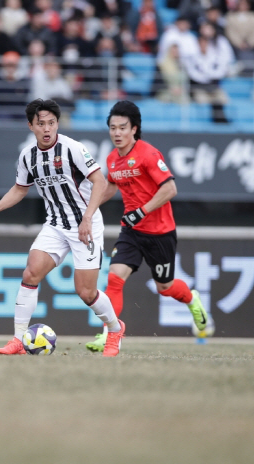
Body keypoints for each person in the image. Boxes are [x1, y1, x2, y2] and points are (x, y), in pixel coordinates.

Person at [0, 98, 124, 357]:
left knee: (86, 292)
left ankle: (114, 329)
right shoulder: (28, 156)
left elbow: (99, 182)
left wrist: (87, 218)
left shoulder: (73, 149)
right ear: (31, 126)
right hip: (56, 224)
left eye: (52, 123)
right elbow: (20, 188)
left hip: (85, 225)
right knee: (30, 273)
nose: (47, 129)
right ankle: (19, 340)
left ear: (57, 124)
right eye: (41, 123)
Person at [85, 100, 209, 353]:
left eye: (122, 127)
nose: (117, 133)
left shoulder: (148, 154)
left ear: (134, 129)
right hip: (131, 231)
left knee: (165, 288)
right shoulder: (111, 159)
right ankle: (110, 333)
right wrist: (87, 207)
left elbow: (170, 188)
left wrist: (141, 211)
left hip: (160, 233)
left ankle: (192, 298)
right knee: (114, 279)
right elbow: (110, 186)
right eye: (112, 128)